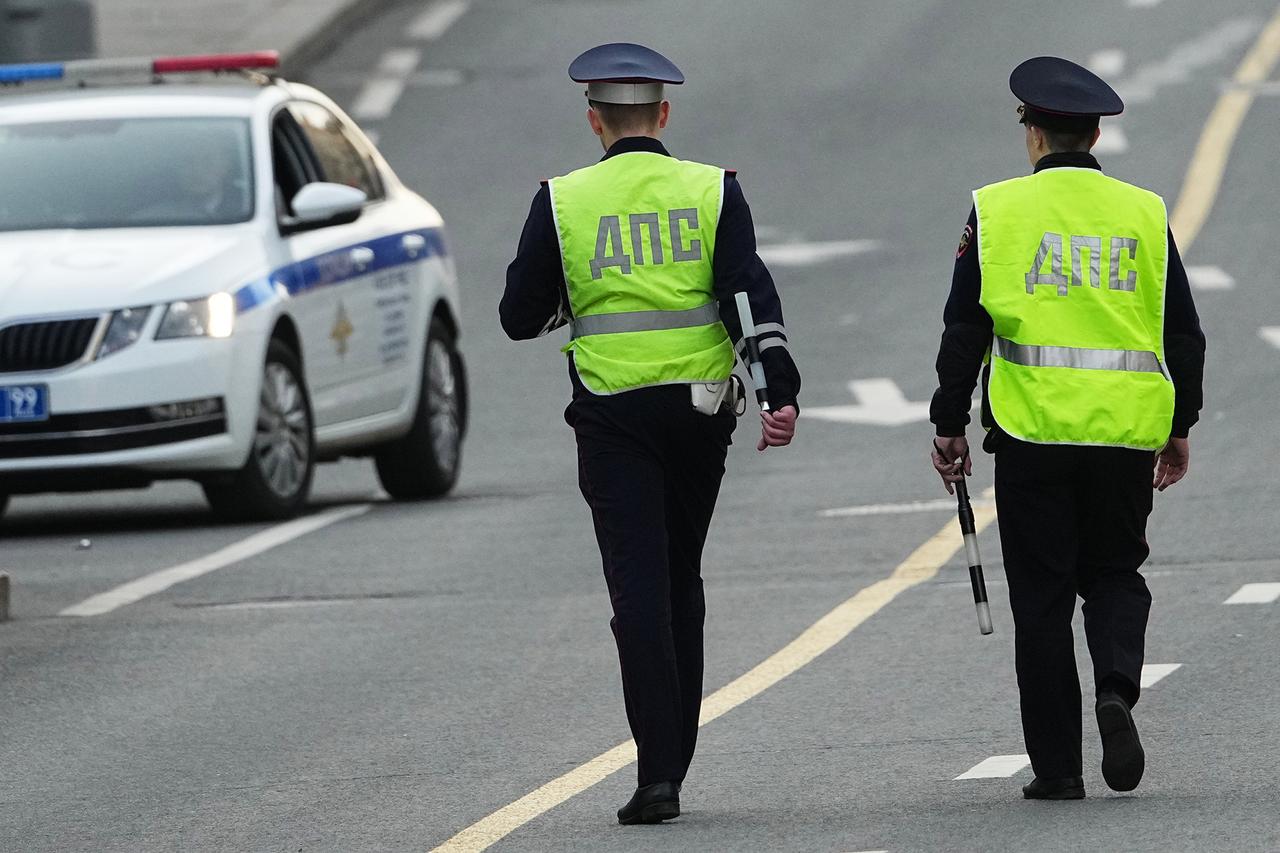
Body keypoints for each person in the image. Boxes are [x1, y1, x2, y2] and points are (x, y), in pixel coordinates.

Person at [500, 42, 801, 824]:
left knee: (637, 588)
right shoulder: (712, 189)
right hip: (699, 414)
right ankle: (676, 756)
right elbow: (747, 297)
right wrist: (778, 390)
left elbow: (517, 316)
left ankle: (657, 772)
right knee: (679, 576)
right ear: (662, 115)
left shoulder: (562, 200)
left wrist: (572, 298)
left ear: (594, 121)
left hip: (611, 414)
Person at [929, 56, 1206, 800]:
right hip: (1123, 433)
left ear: (1033, 135)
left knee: (1043, 600)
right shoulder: (1143, 212)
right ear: (1095, 135)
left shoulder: (995, 210)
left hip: (1033, 432)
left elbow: (965, 328)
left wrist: (948, 421)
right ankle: (1115, 686)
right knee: (1115, 572)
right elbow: (1182, 334)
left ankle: (1057, 769)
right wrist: (1179, 423)